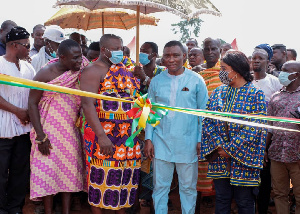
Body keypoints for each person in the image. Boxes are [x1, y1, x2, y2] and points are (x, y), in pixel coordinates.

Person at [144, 40, 208, 213]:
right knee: (160, 187)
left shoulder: (196, 81)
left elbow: (203, 114)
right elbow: (150, 112)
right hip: (161, 142)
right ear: (162, 58)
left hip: (188, 143)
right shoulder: (156, 81)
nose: (171, 59)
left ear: (184, 56)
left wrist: (200, 139)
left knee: (187, 188)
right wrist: (149, 138)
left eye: (175, 55)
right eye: (167, 56)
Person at [201, 50, 267, 214]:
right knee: (222, 199)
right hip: (219, 157)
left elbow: (255, 127)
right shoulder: (218, 92)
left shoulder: (255, 94)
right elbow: (208, 120)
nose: (220, 72)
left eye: (224, 68)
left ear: (236, 70)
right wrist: (219, 146)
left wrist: (230, 149)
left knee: (244, 201)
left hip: (245, 157)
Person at [80, 34, 140, 213]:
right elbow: (87, 104)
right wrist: (101, 136)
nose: (119, 52)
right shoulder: (92, 70)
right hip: (104, 136)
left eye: (121, 48)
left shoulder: (127, 69)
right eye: (115, 49)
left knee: (123, 182)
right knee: (100, 181)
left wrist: (141, 76)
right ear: (104, 50)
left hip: (128, 138)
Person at [28, 39, 88, 214]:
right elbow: (32, 103)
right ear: (62, 57)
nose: (80, 61)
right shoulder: (45, 73)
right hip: (47, 132)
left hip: (69, 131)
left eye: (80, 56)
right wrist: (41, 136)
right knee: (47, 172)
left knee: (67, 173)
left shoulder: (80, 67)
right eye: (75, 58)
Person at [0, 26, 35, 214]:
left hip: (23, 129)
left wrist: (28, 112)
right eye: (26, 45)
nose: (29, 49)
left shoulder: (28, 66)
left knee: (19, 172)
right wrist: (17, 111)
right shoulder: (0, 64)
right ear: (14, 45)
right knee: (1, 173)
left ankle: (15, 207)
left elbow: (33, 95)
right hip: (3, 128)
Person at [266, 61, 300, 214]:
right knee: (280, 194)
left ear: (296, 75)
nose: (282, 74)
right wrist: (265, 149)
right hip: (277, 155)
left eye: (286, 71)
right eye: (281, 70)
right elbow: (269, 127)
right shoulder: (275, 97)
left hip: (297, 155)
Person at [251, 46, 282, 214]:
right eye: (253, 57)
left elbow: (276, 112)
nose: (256, 60)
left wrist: (265, 145)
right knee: (249, 182)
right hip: (248, 138)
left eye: (260, 58)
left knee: (264, 180)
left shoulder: (274, 82)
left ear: (268, 62)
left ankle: (261, 210)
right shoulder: (246, 81)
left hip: (267, 139)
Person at [196, 38, 223, 211]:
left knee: (220, 176)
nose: (210, 52)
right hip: (199, 130)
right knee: (198, 172)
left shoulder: (227, 72)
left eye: (214, 48)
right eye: (207, 49)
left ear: (220, 50)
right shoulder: (196, 73)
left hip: (221, 131)